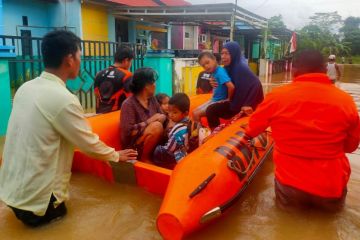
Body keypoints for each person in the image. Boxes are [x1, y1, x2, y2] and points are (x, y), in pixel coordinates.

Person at [0, 30, 137, 227]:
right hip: (39, 204)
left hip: (10, 192)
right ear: (70, 59)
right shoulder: (64, 99)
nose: (81, 61)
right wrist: (116, 155)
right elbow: (88, 144)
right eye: (80, 56)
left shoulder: (25, 88)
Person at [242, 50, 360, 212]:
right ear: (325, 69)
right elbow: (351, 146)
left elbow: (253, 129)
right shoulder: (345, 101)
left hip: (290, 184)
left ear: (293, 70)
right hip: (331, 184)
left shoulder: (277, 96)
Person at [206, 41, 264, 130]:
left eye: (227, 54)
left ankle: (215, 134)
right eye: (222, 53)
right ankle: (216, 132)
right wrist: (212, 81)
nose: (223, 57)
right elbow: (223, 82)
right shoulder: (228, 68)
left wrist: (248, 104)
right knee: (211, 109)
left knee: (211, 110)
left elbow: (256, 84)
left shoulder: (240, 68)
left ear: (234, 54)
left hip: (242, 103)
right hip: (235, 100)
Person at [120, 68, 166, 162]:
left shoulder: (152, 99)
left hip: (152, 140)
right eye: (153, 82)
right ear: (146, 86)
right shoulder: (128, 104)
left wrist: (163, 117)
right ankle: (145, 159)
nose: (155, 85)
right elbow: (127, 133)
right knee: (156, 126)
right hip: (134, 147)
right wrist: (150, 121)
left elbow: (161, 114)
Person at [193, 52, 235, 122]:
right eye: (203, 66)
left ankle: (198, 131)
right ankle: (199, 130)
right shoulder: (214, 71)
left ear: (214, 59)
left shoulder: (220, 72)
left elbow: (231, 87)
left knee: (196, 114)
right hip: (214, 99)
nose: (206, 66)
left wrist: (228, 99)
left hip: (218, 101)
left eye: (207, 62)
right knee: (194, 111)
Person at [94, 45, 134, 113]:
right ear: (126, 60)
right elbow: (131, 100)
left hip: (100, 116)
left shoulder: (99, 74)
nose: (131, 64)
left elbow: (97, 95)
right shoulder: (127, 75)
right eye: (131, 61)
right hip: (117, 117)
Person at [153, 93, 190, 166]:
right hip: (184, 149)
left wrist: (160, 148)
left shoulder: (178, 128)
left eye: (175, 112)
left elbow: (169, 149)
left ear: (185, 113)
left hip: (179, 154)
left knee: (157, 150)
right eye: (169, 111)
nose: (170, 115)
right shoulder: (188, 121)